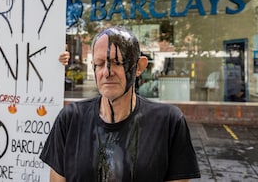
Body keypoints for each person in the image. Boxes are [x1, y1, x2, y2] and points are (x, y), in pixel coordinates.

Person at [40, 26, 200, 182]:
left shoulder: (168, 122)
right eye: (100, 63)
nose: (107, 72)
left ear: (139, 67)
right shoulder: (70, 119)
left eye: (117, 62)